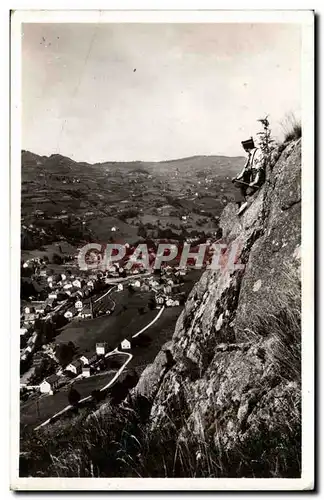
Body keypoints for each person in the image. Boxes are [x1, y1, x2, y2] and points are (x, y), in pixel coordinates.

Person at [232, 137, 265, 208]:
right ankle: (240, 205)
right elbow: (245, 169)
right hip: (252, 179)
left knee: (248, 192)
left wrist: (255, 182)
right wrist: (237, 178)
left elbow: (260, 169)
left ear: (246, 148)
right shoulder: (250, 155)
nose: (244, 149)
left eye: (244, 148)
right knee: (236, 184)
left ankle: (244, 203)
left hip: (258, 180)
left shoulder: (258, 153)